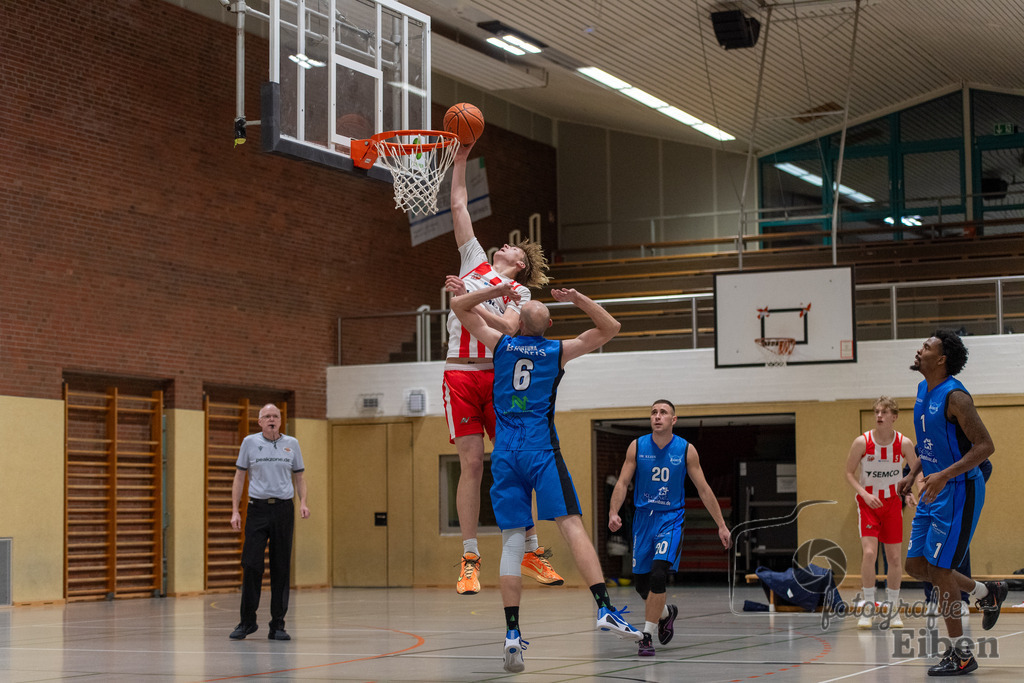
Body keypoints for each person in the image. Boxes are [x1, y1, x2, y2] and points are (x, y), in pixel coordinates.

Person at [450, 281, 642, 673]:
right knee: (572, 526)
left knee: (512, 543)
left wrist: (493, 292)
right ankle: (605, 608)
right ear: (549, 325)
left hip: (505, 455)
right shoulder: (557, 351)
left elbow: (459, 306)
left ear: (517, 324)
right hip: (541, 452)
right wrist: (578, 299)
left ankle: (511, 633)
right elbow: (611, 328)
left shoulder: (500, 345)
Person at [442, 140, 558, 596]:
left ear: (519, 267)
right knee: (471, 464)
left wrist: (470, 297)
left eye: (517, 252)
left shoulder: (523, 296)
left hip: (500, 376)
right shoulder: (473, 259)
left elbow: (509, 327)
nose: (509, 245)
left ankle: (531, 548)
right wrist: (461, 160)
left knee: (514, 461)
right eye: (508, 246)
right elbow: (457, 203)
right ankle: (470, 556)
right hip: (460, 372)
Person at [898, 330, 1005, 676]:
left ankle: (962, 654)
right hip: (932, 487)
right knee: (916, 566)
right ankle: (986, 592)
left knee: (940, 571)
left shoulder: (956, 397)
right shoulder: (921, 389)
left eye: (926, 346)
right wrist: (912, 471)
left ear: (941, 360)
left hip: (959, 489)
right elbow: (928, 442)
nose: (920, 349)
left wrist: (944, 475)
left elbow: (985, 446)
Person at [607, 399, 731, 656]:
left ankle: (646, 636)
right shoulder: (637, 446)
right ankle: (666, 614)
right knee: (642, 585)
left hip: (670, 519)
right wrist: (613, 511)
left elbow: (704, 489)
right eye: (653, 412)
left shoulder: (686, 450)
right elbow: (621, 482)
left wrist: (721, 524)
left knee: (658, 575)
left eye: (663, 412)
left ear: (673, 420)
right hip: (643, 519)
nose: (657, 416)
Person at [229, 404, 310, 640]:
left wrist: (303, 502)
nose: (272, 419)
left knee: (280, 567)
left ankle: (277, 625)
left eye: (276, 416)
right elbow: (239, 476)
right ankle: (247, 622)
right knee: (251, 564)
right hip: (257, 509)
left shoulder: (292, 443)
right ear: (260, 421)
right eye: (267, 416)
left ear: (280, 420)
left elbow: (300, 476)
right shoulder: (249, 442)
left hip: (283, 509)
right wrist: (235, 510)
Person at [843, 396, 918, 630]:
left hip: (893, 504)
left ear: (894, 417)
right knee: (868, 554)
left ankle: (893, 610)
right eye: (876, 412)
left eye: (884, 412)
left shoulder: (904, 443)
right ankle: (867, 608)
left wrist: (913, 492)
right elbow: (848, 473)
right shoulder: (862, 442)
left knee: (895, 558)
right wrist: (864, 495)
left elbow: (917, 472)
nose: (879, 416)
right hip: (869, 504)